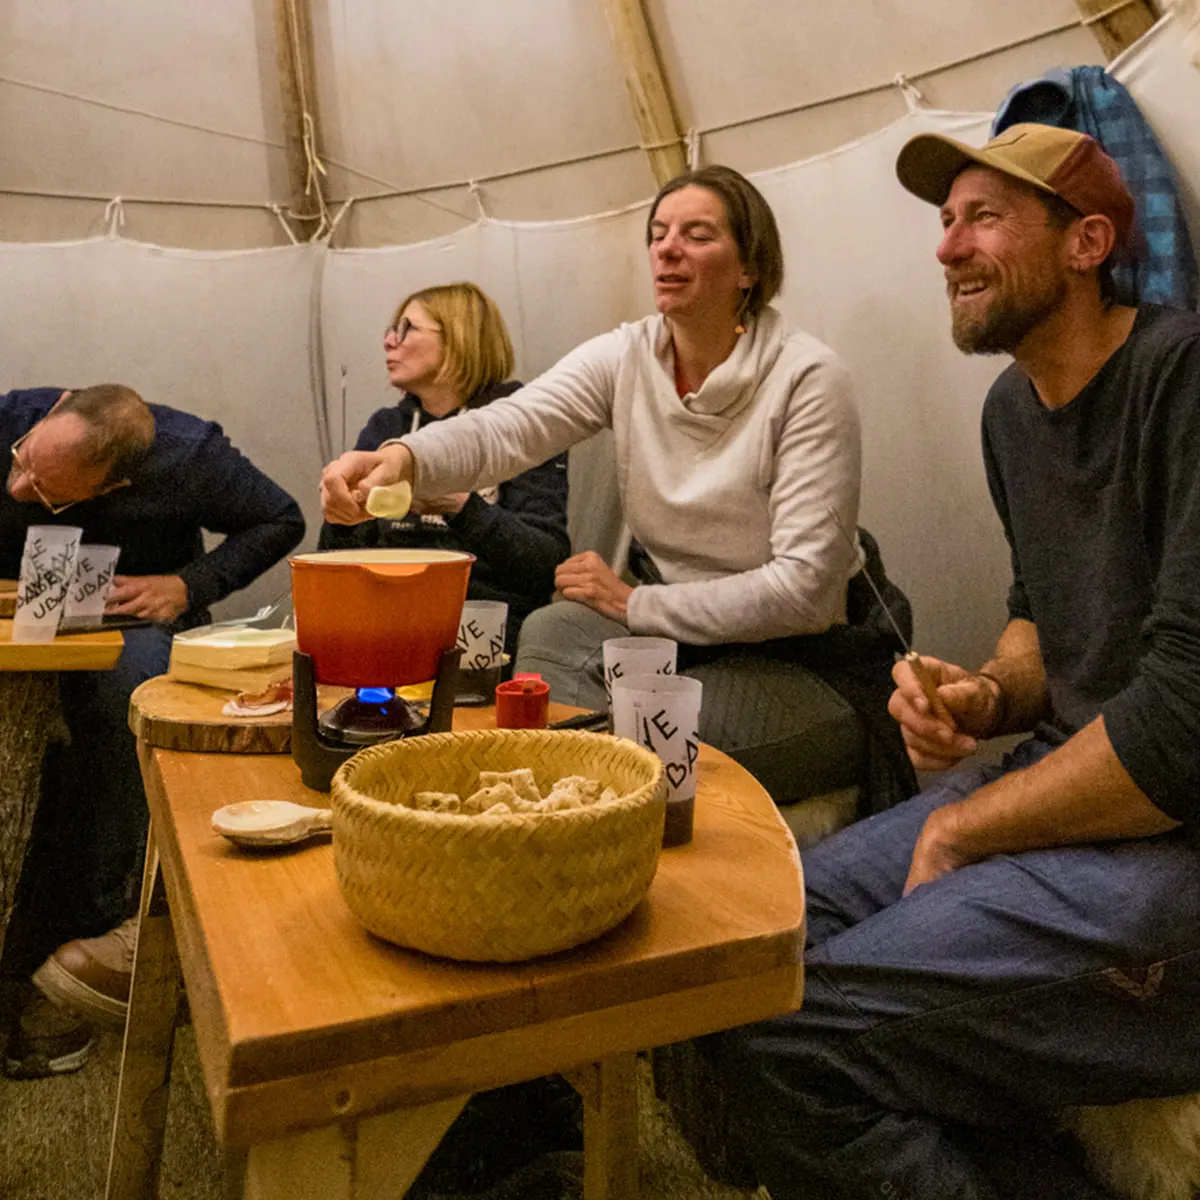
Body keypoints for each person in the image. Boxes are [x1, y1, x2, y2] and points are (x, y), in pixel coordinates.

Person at [709, 125, 1200, 1199]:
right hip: (1075, 788)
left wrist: (963, 824)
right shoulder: (1012, 413)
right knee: (737, 943)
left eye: (983, 218)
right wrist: (984, 697)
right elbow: (1042, 619)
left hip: (1176, 841)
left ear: (1087, 244)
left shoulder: (1185, 381)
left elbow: (1177, 733)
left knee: (787, 1033)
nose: (946, 249)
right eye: (944, 222)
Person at [321, 165, 914, 816]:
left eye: (697, 233)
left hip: (809, 658)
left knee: (637, 747)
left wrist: (638, 605)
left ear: (749, 267)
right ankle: (543, 809)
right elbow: (508, 428)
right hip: (686, 634)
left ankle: (585, 832)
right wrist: (404, 457)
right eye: (658, 233)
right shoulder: (629, 356)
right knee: (552, 629)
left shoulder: (807, 380)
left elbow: (802, 592)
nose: (667, 247)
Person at [1, 384, 304, 1079]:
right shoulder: (8, 418)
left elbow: (278, 519)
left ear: (120, 481)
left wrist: (189, 585)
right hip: (10, 613)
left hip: (126, 621)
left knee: (129, 703)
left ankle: (109, 930)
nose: (17, 487)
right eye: (21, 463)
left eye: (45, 492)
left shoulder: (192, 454)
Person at [318, 282, 569, 658]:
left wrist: (459, 505)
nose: (389, 341)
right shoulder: (387, 428)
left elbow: (545, 563)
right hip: (391, 618)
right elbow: (336, 564)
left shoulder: (521, 423)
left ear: (459, 338)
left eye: (407, 329)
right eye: (390, 330)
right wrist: (341, 514)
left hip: (492, 628)